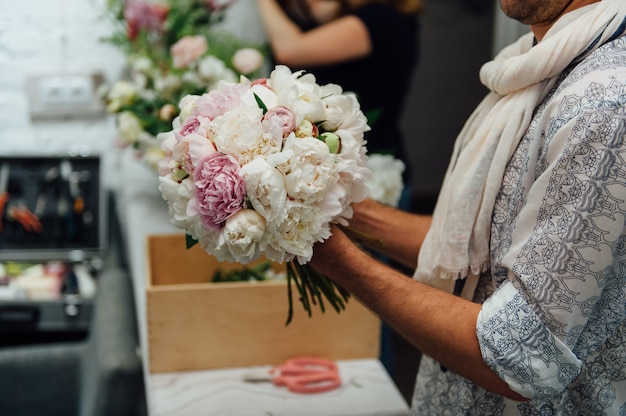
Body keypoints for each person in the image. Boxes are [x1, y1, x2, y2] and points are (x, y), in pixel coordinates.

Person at [309, 0, 626, 414]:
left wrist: (334, 258)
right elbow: (475, 249)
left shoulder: (605, 104)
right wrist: (328, 210)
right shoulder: (533, 67)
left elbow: (522, 354)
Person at [255, 0, 422, 202]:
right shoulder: (346, 17)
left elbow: (290, 48)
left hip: (374, 173)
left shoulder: (382, 18)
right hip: (341, 171)